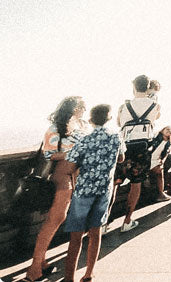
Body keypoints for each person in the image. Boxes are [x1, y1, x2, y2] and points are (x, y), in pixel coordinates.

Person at [23, 97, 89, 282]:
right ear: (74, 108)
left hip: (77, 176)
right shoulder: (54, 128)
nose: (85, 109)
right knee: (55, 219)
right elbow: (48, 154)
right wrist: (74, 153)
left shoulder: (81, 126)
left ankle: (41, 263)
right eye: (82, 106)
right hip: (63, 176)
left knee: (55, 220)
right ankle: (34, 269)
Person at [62, 104, 125, 282]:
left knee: (75, 237)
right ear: (109, 118)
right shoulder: (116, 137)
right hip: (104, 190)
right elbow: (121, 158)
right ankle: (89, 273)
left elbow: (69, 167)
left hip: (83, 191)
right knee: (95, 233)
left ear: (90, 120)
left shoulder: (84, 139)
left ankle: (69, 278)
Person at [116, 74, 160, 232]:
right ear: (148, 87)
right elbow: (154, 121)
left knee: (115, 183)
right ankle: (127, 221)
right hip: (142, 148)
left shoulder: (124, 106)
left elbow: (119, 123)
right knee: (136, 184)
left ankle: (104, 223)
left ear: (133, 87)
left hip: (124, 147)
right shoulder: (155, 105)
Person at [149, 126, 171, 202]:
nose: (169, 131)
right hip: (149, 158)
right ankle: (160, 193)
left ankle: (161, 193)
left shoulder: (168, 143)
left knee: (160, 171)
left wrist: (162, 160)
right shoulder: (156, 138)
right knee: (159, 172)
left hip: (156, 160)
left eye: (170, 130)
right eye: (167, 129)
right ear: (162, 130)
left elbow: (166, 153)